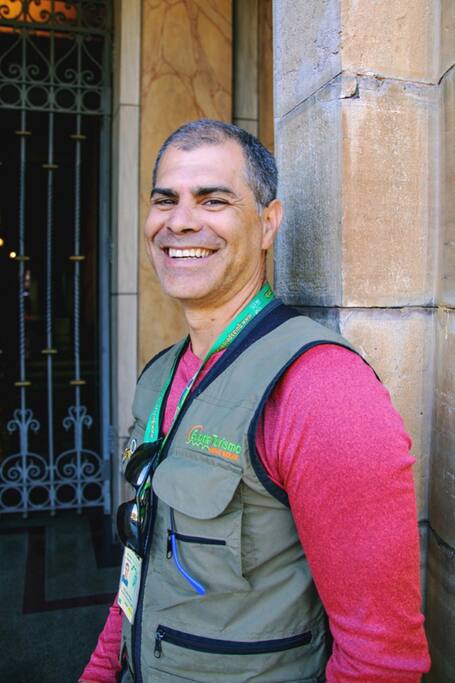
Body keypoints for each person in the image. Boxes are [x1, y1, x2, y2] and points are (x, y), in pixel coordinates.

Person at [81, 120, 430, 683]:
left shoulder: (322, 389)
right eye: (165, 200)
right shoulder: (159, 375)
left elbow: (381, 659)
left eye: (213, 199)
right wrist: (100, 670)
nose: (180, 221)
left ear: (268, 224)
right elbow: (140, 561)